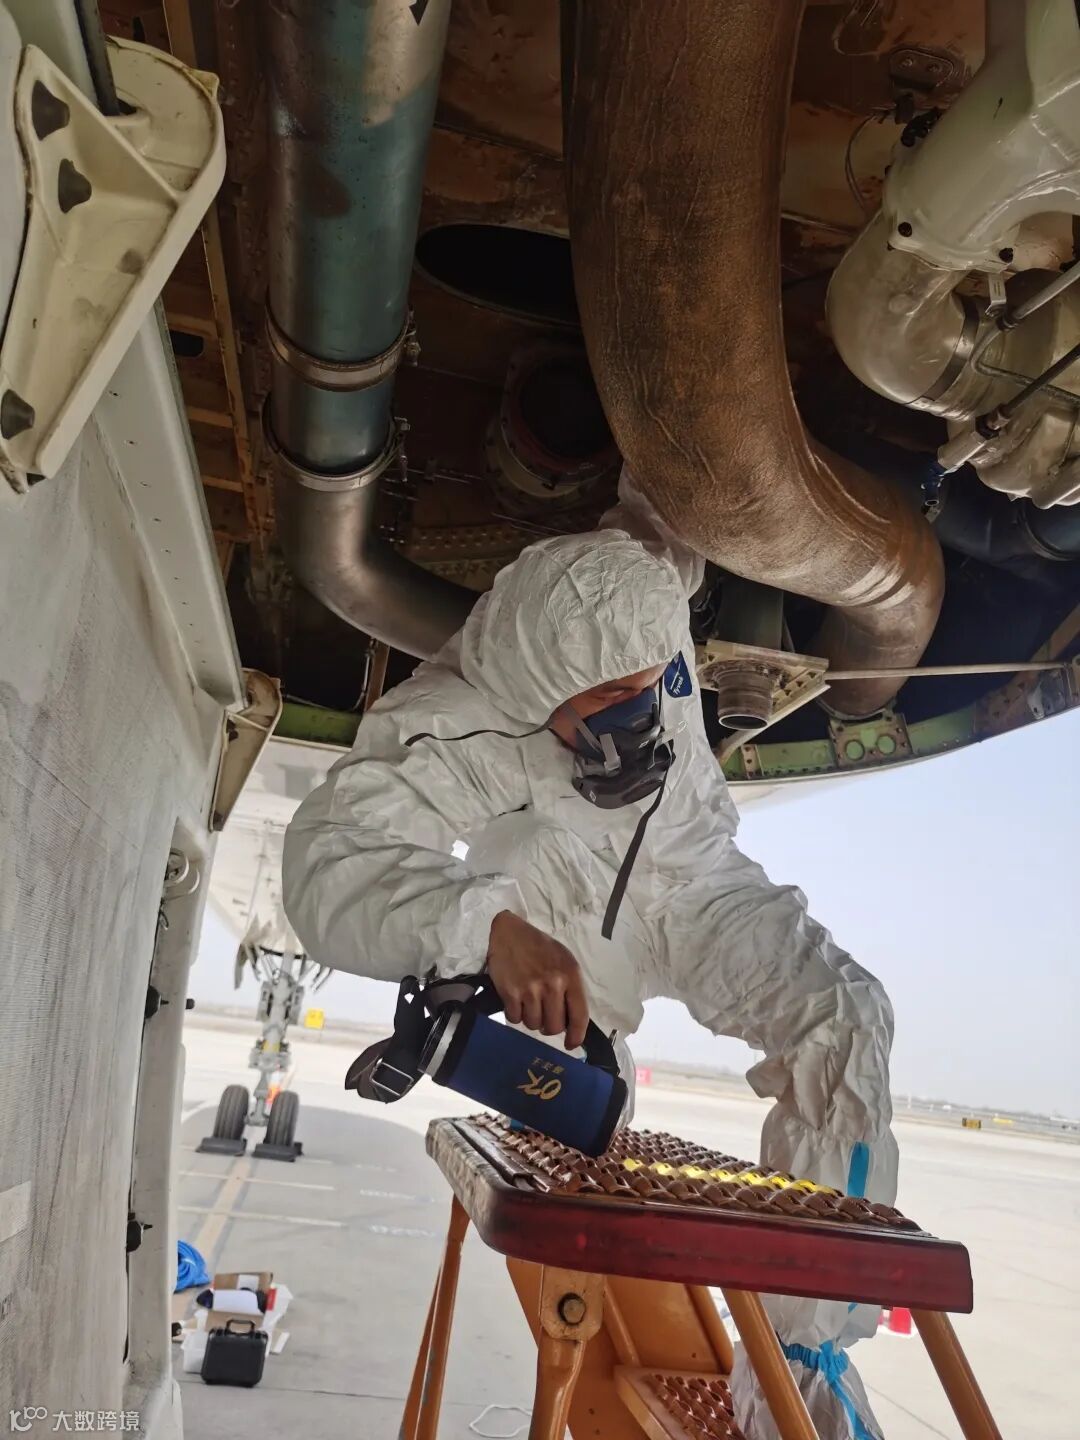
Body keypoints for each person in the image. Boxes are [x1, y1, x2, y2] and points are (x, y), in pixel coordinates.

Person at [282, 479, 896, 1440]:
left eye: (652, 684)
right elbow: (328, 861)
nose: (639, 709)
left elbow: (672, 496)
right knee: (580, 1111)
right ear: (538, 696)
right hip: (565, 918)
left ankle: (800, 1367)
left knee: (844, 1019)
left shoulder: (643, 599)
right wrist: (483, 927)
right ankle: (578, 1075)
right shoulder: (455, 723)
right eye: (609, 698)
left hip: (697, 885)